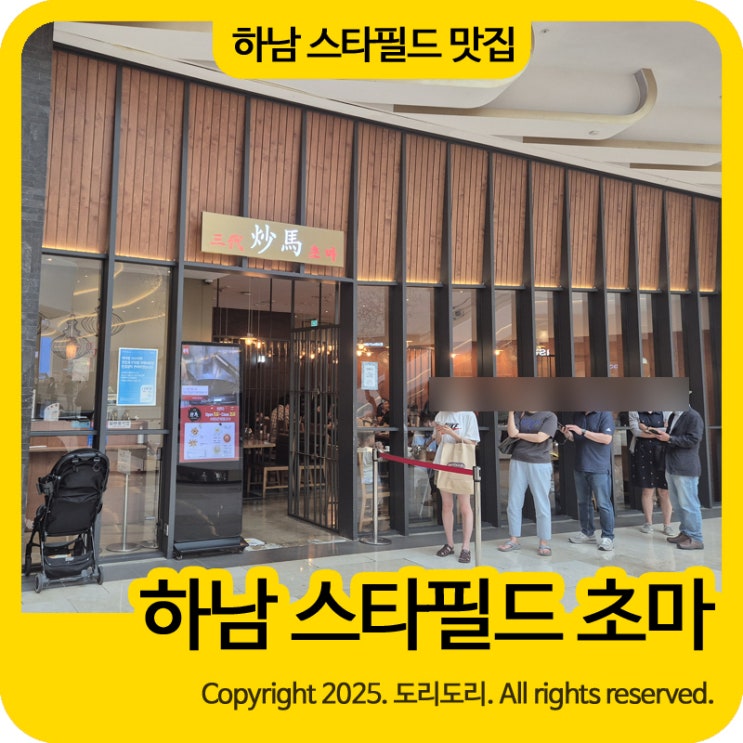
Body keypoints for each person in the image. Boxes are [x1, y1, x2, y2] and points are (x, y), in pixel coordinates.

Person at [498, 410, 558, 556]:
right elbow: (511, 432)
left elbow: (540, 438)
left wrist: (519, 435)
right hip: (518, 460)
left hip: (540, 463)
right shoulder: (520, 413)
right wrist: (510, 412)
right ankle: (513, 539)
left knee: (541, 503)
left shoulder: (549, 416)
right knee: (514, 502)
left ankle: (544, 542)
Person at [561, 411, 616, 551]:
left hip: (599, 468)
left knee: (603, 504)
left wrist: (583, 431)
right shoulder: (578, 415)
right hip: (580, 466)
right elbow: (577, 438)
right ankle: (587, 532)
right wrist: (568, 435)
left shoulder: (604, 414)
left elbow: (606, 439)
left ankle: (608, 537)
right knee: (583, 503)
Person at [653, 404, 705, 550]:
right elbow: (672, 438)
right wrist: (663, 436)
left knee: (689, 504)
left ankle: (696, 538)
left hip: (685, 468)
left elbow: (694, 439)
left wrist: (669, 438)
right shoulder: (673, 416)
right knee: (678, 504)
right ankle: (686, 533)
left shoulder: (693, 416)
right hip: (671, 466)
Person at [432, 410, 480, 564]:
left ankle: (466, 547)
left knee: (465, 506)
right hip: (443, 461)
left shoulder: (468, 415)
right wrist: (439, 432)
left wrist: (452, 434)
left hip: (461, 463)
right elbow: (438, 442)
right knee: (447, 505)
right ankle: (450, 544)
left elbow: (473, 443)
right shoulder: (441, 415)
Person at [628, 411, 675, 535]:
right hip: (643, 453)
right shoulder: (634, 411)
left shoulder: (665, 410)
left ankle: (667, 525)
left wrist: (646, 428)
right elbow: (636, 432)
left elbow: (669, 430)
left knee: (664, 491)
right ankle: (648, 523)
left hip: (663, 452)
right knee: (647, 490)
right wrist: (658, 432)